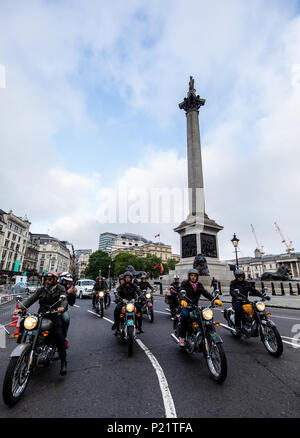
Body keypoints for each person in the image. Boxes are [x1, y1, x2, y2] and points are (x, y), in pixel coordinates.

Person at [13, 272, 68, 376]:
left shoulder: (60, 288)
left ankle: (63, 362)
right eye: (46, 279)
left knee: (59, 335)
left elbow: (64, 299)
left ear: (55, 280)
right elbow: (31, 299)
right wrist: (20, 308)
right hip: (41, 314)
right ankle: (22, 351)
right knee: (25, 324)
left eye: (50, 279)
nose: (47, 281)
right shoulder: (41, 289)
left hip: (54, 314)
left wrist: (61, 307)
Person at [178, 269, 223, 346]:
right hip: (186, 306)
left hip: (195, 306)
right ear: (189, 276)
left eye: (195, 275)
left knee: (206, 318)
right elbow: (181, 291)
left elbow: (205, 293)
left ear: (197, 277)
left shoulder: (199, 285)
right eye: (191, 275)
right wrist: (182, 300)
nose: (193, 277)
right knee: (184, 316)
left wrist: (214, 299)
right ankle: (182, 338)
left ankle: (211, 337)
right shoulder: (185, 283)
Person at [230, 269, 268, 334]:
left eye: (241, 276)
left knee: (255, 309)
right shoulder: (233, 283)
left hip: (245, 300)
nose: (240, 278)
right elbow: (232, 292)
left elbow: (254, 290)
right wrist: (237, 297)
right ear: (236, 277)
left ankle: (251, 323)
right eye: (239, 276)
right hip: (237, 301)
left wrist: (262, 296)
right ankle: (237, 326)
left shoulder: (246, 283)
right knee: (239, 310)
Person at [59, 273, 77, 349]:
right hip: (49, 309)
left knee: (66, 318)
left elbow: (71, 303)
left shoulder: (68, 289)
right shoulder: (56, 287)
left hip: (62, 310)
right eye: (66, 281)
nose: (67, 283)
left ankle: (63, 338)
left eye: (68, 281)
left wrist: (74, 294)